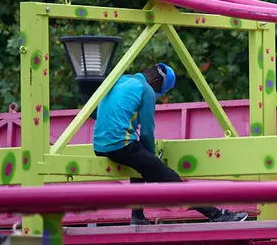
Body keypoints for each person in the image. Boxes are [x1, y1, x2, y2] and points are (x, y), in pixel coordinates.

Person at [92, 63, 248, 225]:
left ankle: (137, 217)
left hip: (100, 146)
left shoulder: (122, 79)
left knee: (138, 165)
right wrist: (152, 156)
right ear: (156, 81)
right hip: (120, 145)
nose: (157, 95)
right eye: (160, 90)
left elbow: (98, 113)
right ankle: (217, 215)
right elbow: (147, 131)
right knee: (170, 178)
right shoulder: (146, 90)